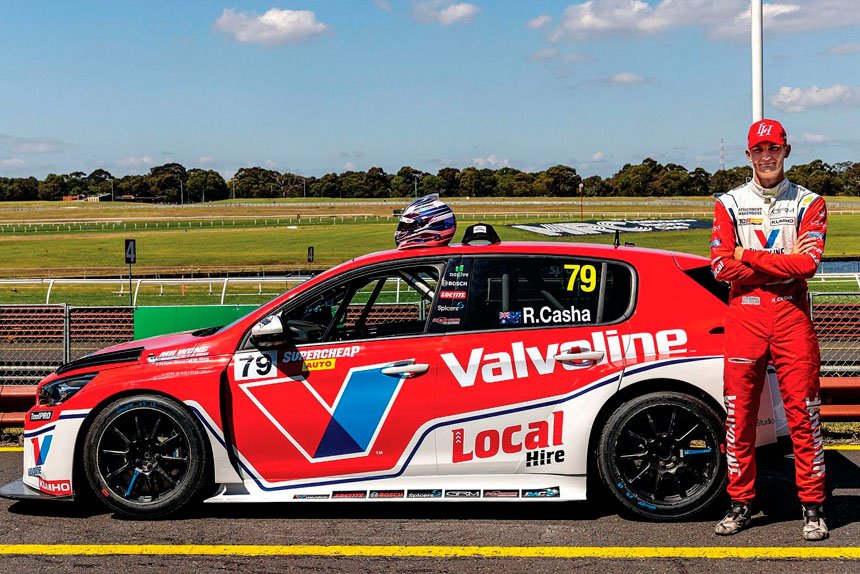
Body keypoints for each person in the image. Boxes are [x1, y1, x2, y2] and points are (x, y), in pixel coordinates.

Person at [710, 118, 829, 541]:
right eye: (759, 150)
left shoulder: (810, 202)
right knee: (738, 417)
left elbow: (807, 265)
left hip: (792, 317)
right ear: (748, 155)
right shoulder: (728, 202)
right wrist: (774, 260)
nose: (767, 156)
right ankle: (740, 503)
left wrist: (747, 253)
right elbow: (721, 266)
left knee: (804, 415)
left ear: (786, 151)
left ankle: (813, 507)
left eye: (774, 148)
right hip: (745, 316)